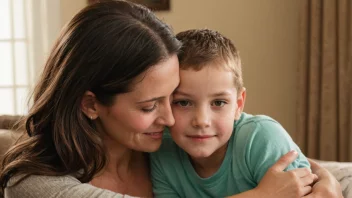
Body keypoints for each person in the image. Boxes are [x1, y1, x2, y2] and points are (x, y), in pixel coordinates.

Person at [0, 1, 343, 198]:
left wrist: (325, 181)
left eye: (172, 99)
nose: (170, 118)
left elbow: (274, 160)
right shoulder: (35, 186)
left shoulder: (165, 144)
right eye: (149, 106)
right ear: (90, 104)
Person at [149, 29, 337, 198]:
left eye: (218, 102)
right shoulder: (163, 151)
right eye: (183, 102)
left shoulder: (261, 138)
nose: (202, 121)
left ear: (239, 104)